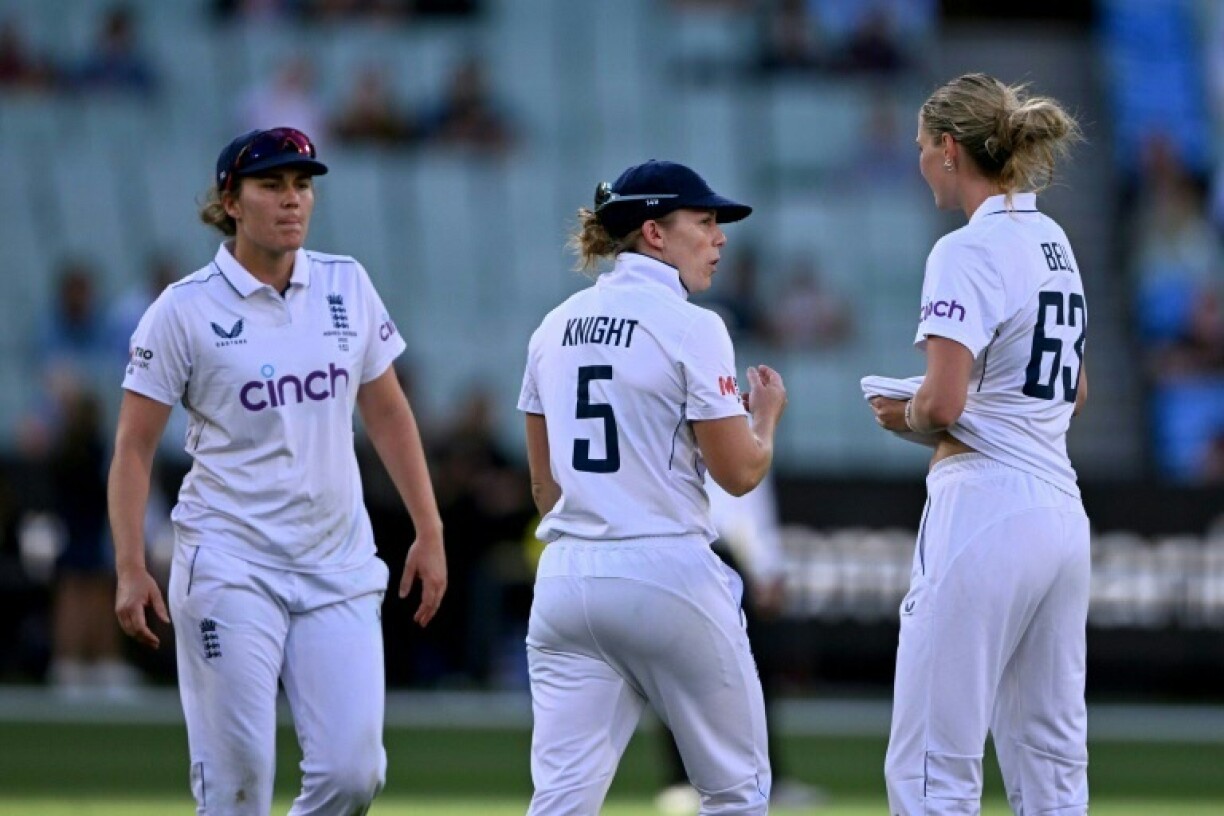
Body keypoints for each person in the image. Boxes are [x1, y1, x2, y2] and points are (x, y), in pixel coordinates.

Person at [108, 126, 447, 815]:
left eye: (302, 185)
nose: (292, 200)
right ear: (230, 200)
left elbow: (387, 414)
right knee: (238, 787)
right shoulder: (184, 308)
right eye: (272, 185)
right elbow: (134, 447)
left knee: (354, 776)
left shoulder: (346, 282)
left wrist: (428, 526)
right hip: (230, 563)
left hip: (337, 564)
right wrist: (130, 564)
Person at [517, 159, 788, 814]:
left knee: (560, 801)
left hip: (566, 580)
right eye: (704, 220)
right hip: (666, 569)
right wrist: (767, 418)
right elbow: (740, 473)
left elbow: (544, 487)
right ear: (654, 233)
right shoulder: (695, 324)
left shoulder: (553, 327)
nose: (719, 237)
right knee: (738, 791)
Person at [866, 73, 1090, 815]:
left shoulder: (966, 250)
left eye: (923, 146)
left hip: (986, 504)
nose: (921, 160)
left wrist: (908, 415)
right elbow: (1076, 390)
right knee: (1050, 757)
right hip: (1061, 510)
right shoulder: (1053, 240)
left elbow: (945, 400)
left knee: (936, 754)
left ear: (949, 149)